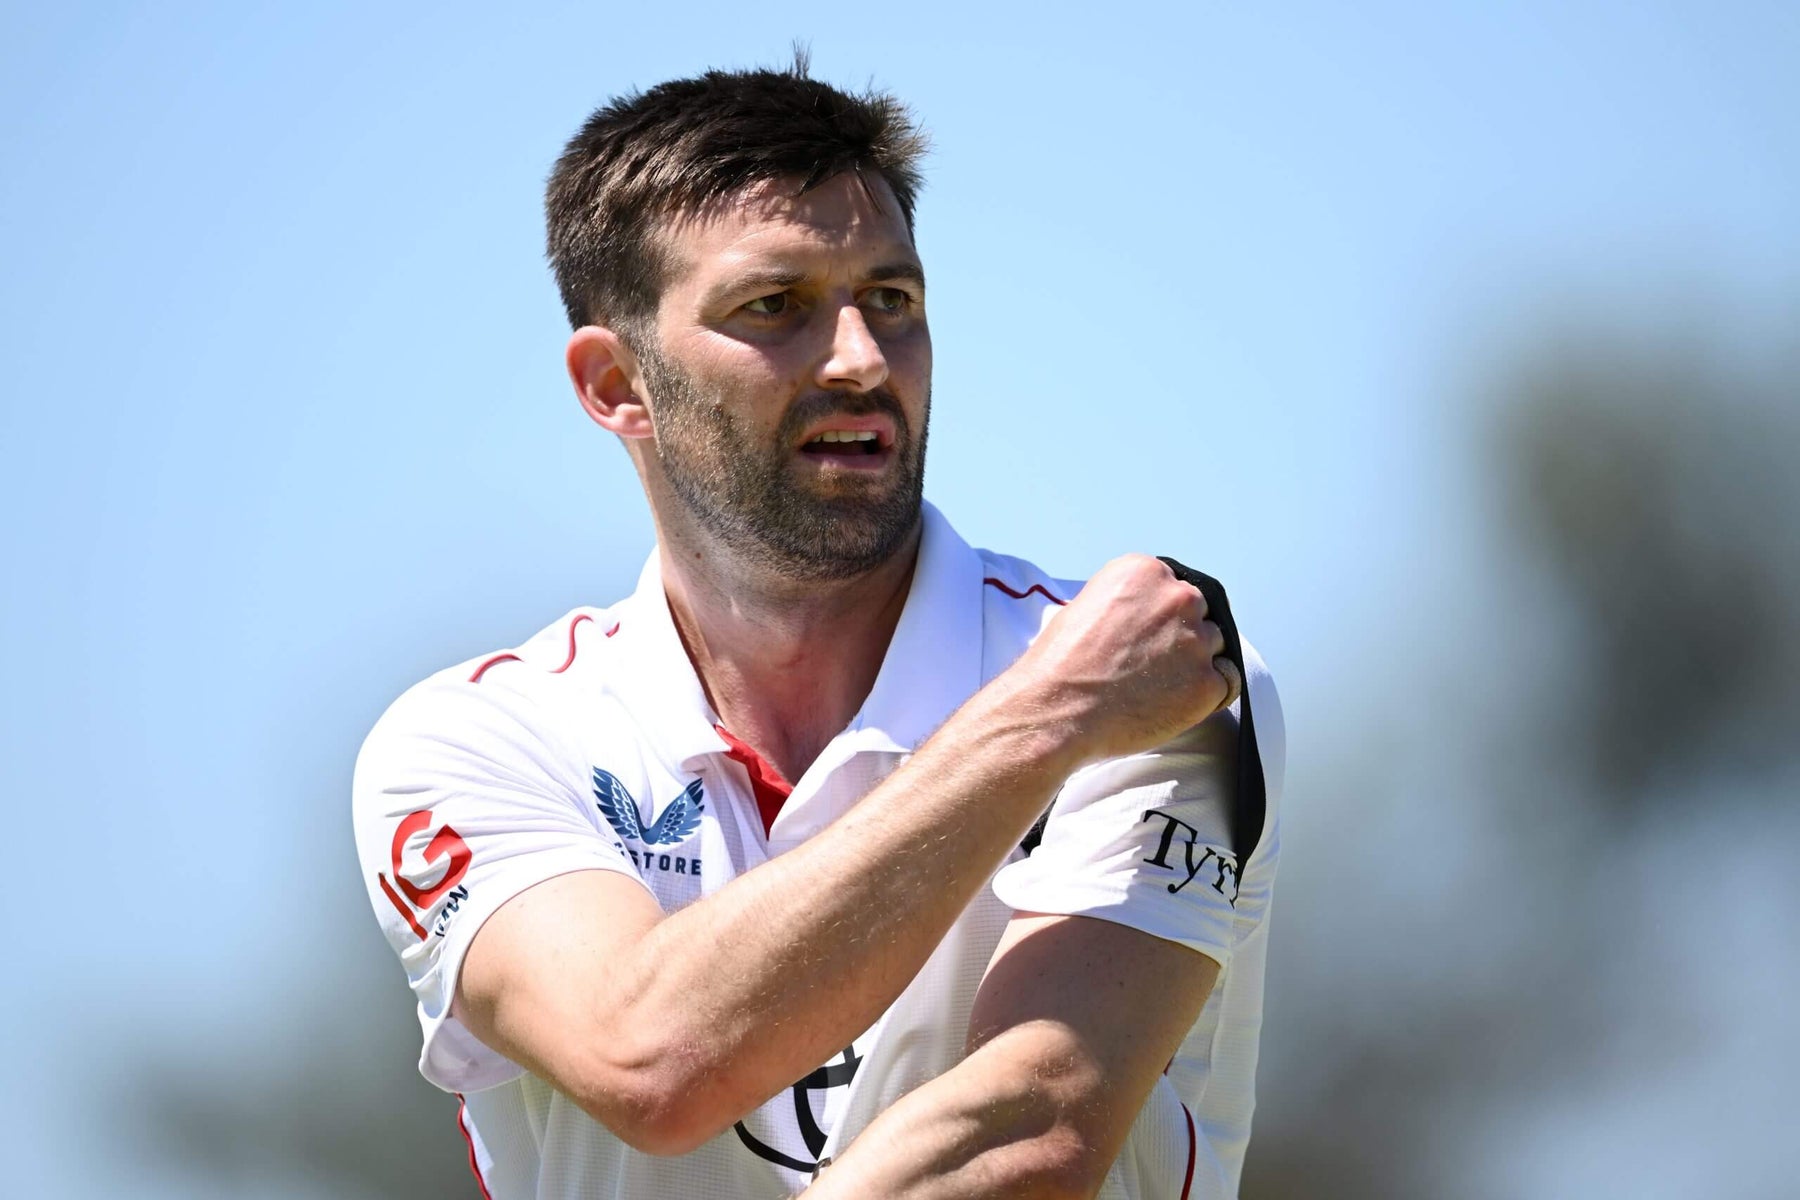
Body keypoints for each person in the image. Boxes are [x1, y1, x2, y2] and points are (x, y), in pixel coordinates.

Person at [352, 59, 1285, 1200]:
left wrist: (1075, 704)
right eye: (774, 307)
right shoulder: (474, 741)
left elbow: (1030, 1142)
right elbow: (652, 1063)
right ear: (614, 384)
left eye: (891, 299)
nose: (859, 358)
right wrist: (1046, 720)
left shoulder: (1165, 681)